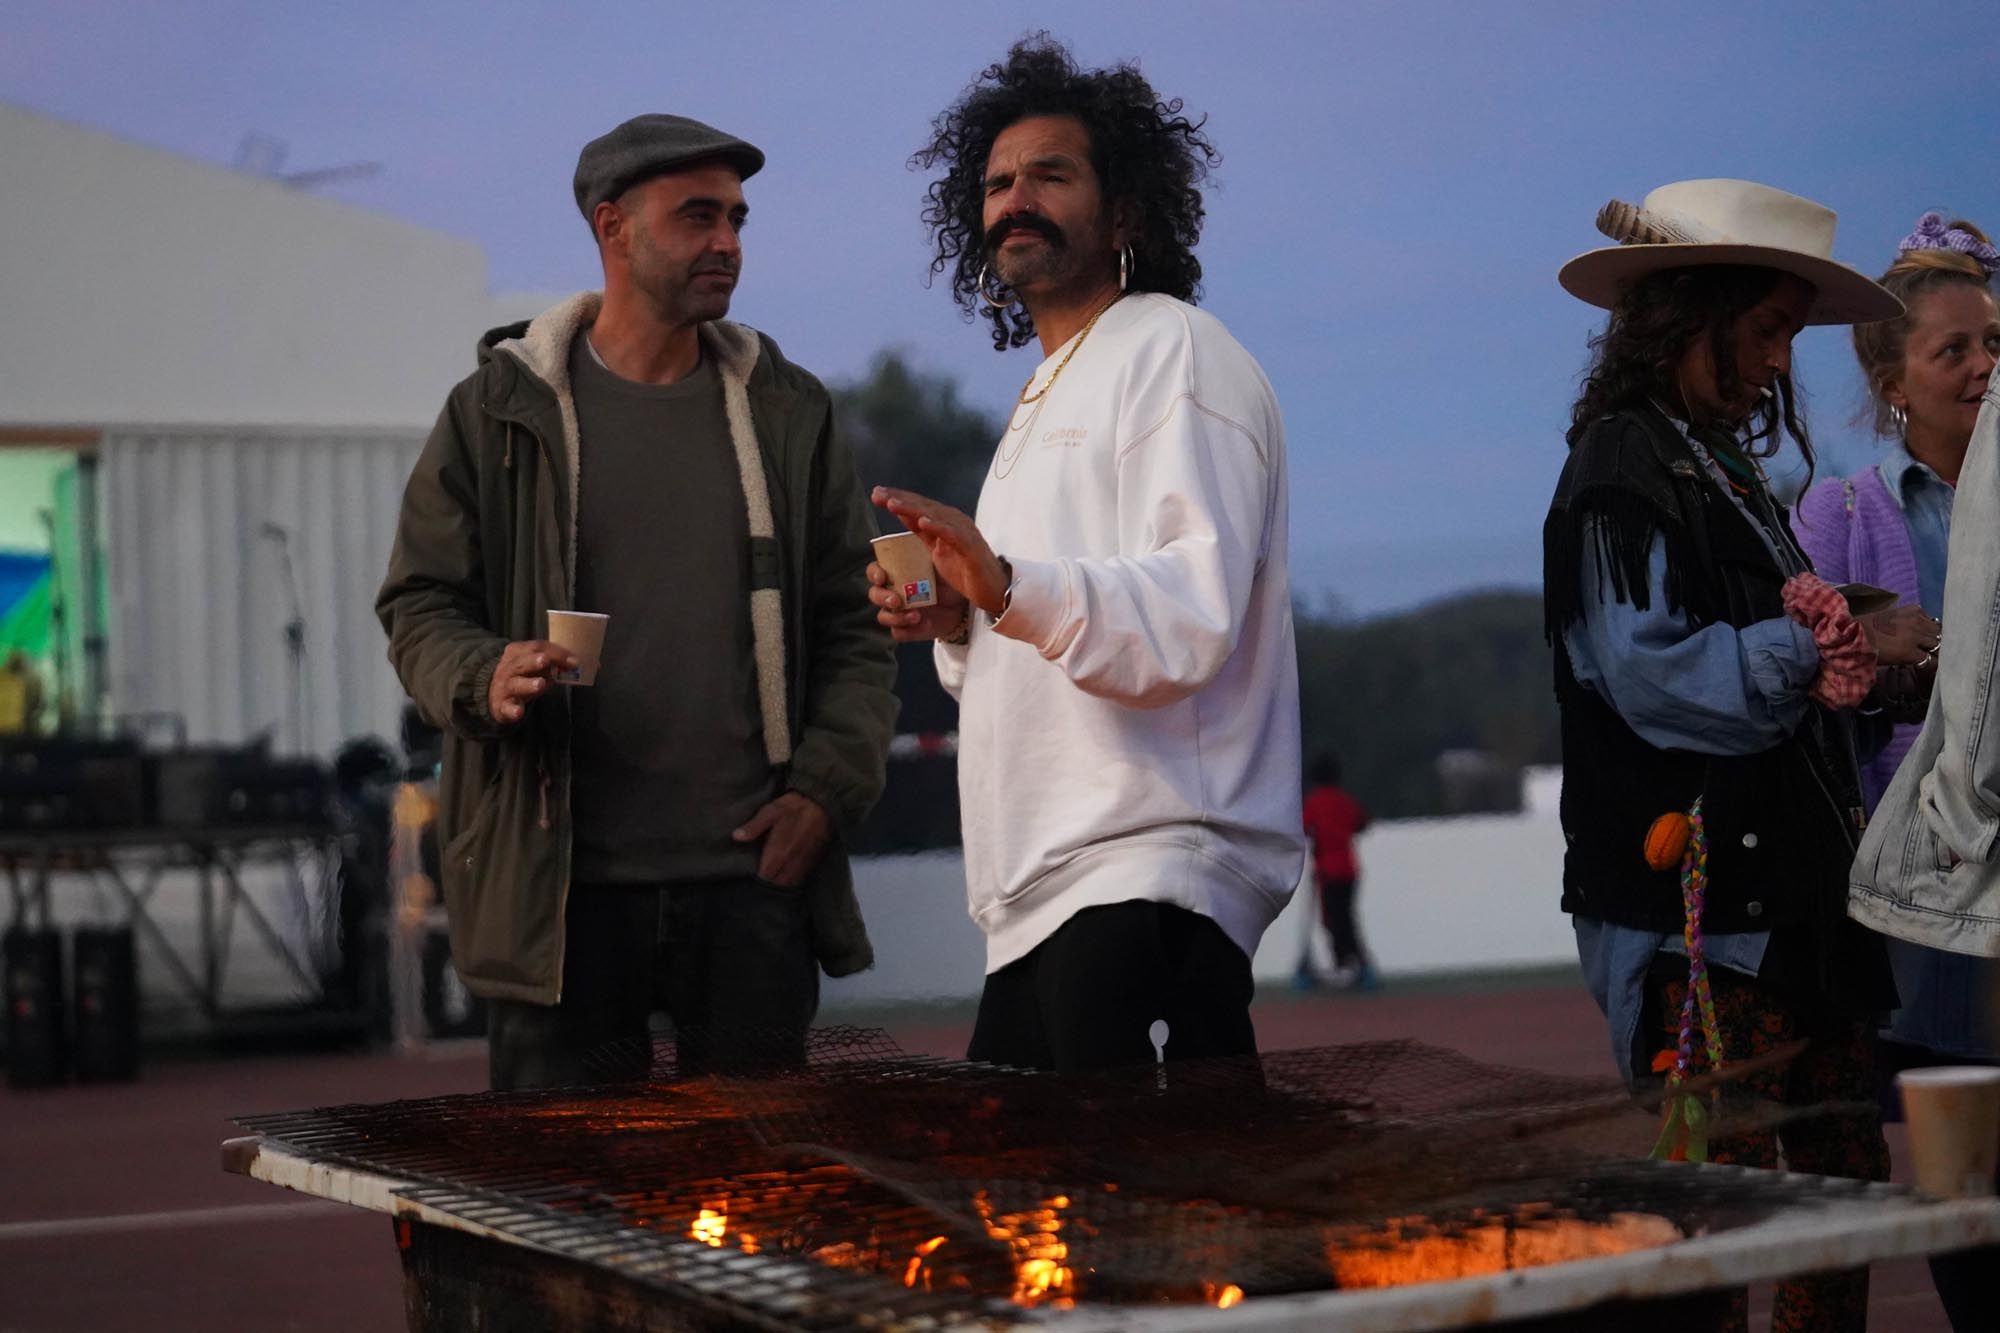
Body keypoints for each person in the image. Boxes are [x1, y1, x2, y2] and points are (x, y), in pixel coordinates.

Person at [376, 114, 896, 1091]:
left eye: (737, 218)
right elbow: (418, 603)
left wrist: (826, 790)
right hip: (559, 896)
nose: (728, 243)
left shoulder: (788, 409)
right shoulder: (493, 411)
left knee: (757, 1216)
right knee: (564, 1215)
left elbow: (852, 625)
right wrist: (486, 672)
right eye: (698, 216)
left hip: (750, 889)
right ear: (613, 228)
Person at [867, 37, 1304, 1076]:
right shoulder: (1044, 392)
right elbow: (1039, 633)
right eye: (996, 183)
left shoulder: (1172, 350)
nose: (1014, 199)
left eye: (1049, 176)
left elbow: (1191, 613)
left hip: (1146, 879)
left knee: (1141, 1233)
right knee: (1041, 1228)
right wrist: (961, 616)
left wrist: (1008, 583)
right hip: (1043, 898)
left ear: (1125, 214)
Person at [1545, 178, 1928, 1333]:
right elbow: (1656, 678)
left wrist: (1855, 659)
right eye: (1762, 331)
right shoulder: (1619, 466)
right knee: (1714, 1241)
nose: (1775, 364)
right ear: (1687, 314)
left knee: (1830, 1220)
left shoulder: (1713, 469)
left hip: (1785, 919)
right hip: (1701, 932)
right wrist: (1835, 644)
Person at [1847, 237, 2000, 1333]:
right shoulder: (1837, 516)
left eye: (1993, 341)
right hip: (1919, 889)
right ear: (1888, 382)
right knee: (1961, 1143)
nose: (1982, 364)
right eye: (1953, 348)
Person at [1298, 754, 1376, 992]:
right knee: (1347, 918)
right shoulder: (1345, 800)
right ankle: (1357, 965)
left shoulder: (1314, 802)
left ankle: (1346, 965)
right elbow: (1362, 823)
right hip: (1349, 868)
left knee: (1333, 920)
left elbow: (1303, 828)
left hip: (1327, 870)